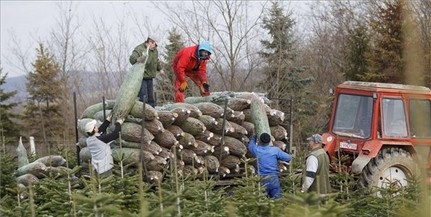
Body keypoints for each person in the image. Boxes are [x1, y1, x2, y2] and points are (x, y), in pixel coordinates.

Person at [248, 132, 292, 199]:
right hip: (273, 179)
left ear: (260, 141)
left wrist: (254, 136)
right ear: (269, 141)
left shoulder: (256, 150)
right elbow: (288, 157)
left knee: (262, 201)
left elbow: (250, 146)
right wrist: (278, 157)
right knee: (277, 200)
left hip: (261, 179)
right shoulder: (275, 150)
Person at [129, 36, 163, 107]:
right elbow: (132, 59)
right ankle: (143, 112)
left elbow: (156, 61)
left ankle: (152, 111)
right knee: (144, 96)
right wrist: (138, 59)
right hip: (141, 77)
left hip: (150, 76)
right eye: (154, 44)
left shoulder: (154, 50)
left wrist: (160, 69)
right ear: (150, 42)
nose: (155, 46)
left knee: (151, 97)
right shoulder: (139, 49)